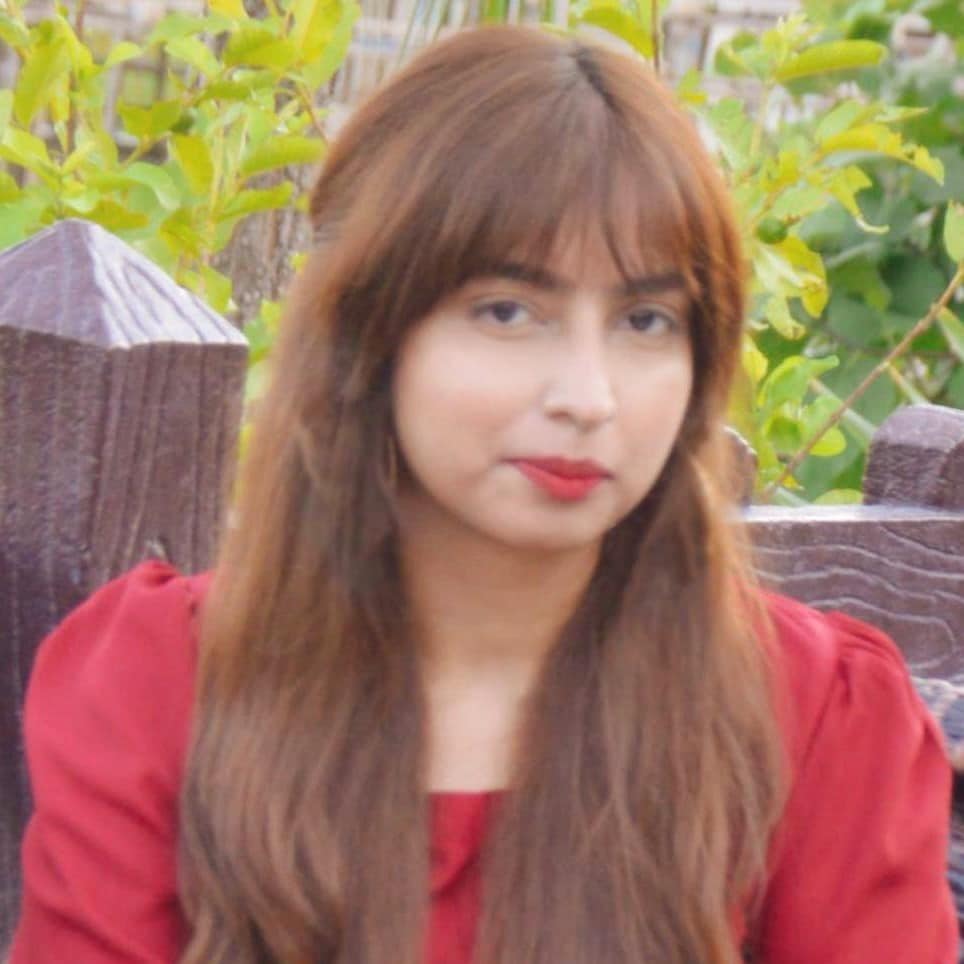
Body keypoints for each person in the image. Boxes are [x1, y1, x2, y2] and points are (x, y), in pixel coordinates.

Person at [9, 24, 956, 964]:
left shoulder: (818, 721)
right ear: (369, 332)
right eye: (509, 310)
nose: (587, 397)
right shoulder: (155, 689)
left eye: (646, 319)